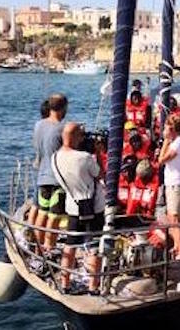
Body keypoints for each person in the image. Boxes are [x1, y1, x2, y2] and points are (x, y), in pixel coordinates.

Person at [52, 122, 107, 292]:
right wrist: (97, 153)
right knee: (94, 247)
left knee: (70, 246)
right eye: (81, 135)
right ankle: (93, 287)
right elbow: (100, 174)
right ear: (75, 137)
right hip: (93, 207)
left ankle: (65, 283)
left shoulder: (54, 158)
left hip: (73, 207)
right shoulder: (84, 158)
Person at [28, 94, 68, 245]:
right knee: (54, 218)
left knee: (41, 214)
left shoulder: (38, 125)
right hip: (57, 179)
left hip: (42, 176)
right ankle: (49, 249)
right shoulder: (61, 128)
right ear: (64, 108)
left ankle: (38, 249)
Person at [158, 114, 180, 259]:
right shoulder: (176, 142)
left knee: (175, 220)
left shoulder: (178, 142)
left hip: (176, 184)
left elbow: (162, 160)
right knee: (172, 219)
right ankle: (177, 246)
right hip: (171, 183)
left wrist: (165, 140)